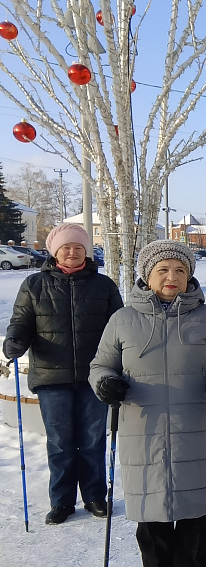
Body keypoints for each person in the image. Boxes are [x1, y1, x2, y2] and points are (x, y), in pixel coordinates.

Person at [89, 240, 206, 567]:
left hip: (195, 428)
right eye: (163, 270)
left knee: (194, 512)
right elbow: (101, 366)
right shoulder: (123, 319)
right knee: (151, 513)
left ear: (189, 276)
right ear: (147, 275)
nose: (171, 276)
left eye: (180, 270)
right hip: (142, 429)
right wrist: (105, 383)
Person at [3, 223, 123, 525]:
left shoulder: (104, 285)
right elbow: (21, 321)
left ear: (86, 251)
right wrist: (15, 340)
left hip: (95, 376)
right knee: (59, 442)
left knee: (93, 440)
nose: (72, 252)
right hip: (51, 377)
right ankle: (61, 501)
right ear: (55, 252)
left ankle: (95, 496)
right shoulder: (34, 284)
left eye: (78, 247)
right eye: (66, 247)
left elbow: (119, 328)